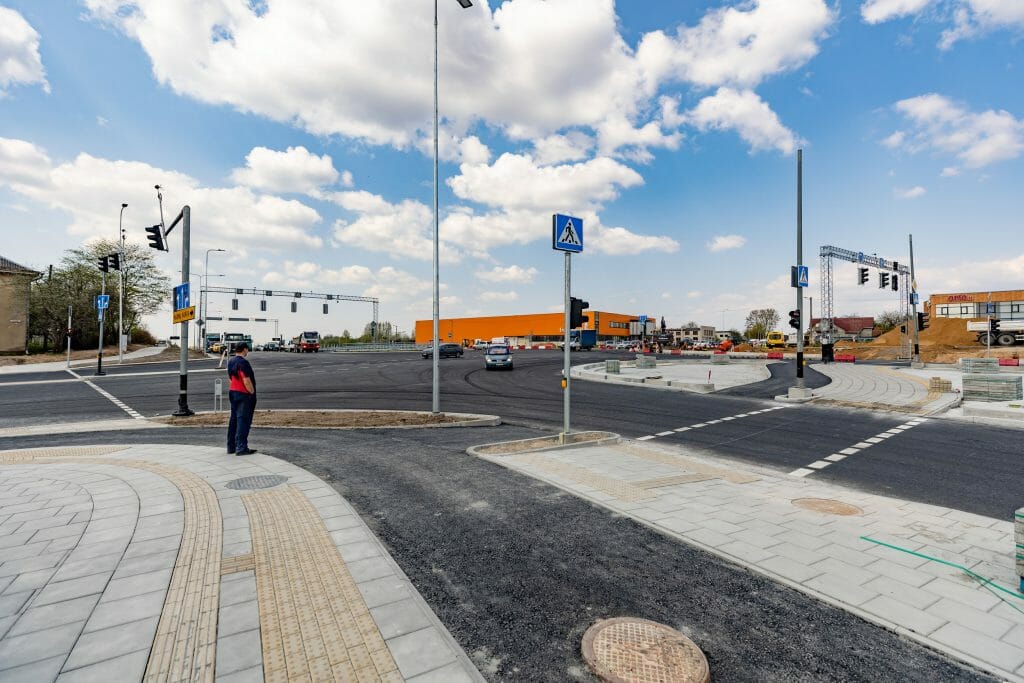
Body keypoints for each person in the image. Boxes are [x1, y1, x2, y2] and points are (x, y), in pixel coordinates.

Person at [227, 342, 257, 455]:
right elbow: (246, 380)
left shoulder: (231, 361)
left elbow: (230, 378)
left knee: (233, 419)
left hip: (233, 392)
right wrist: (252, 393)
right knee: (243, 420)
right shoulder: (243, 363)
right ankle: (241, 447)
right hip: (243, 394)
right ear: (245, 349)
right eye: (247, 349)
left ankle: (231, 447)